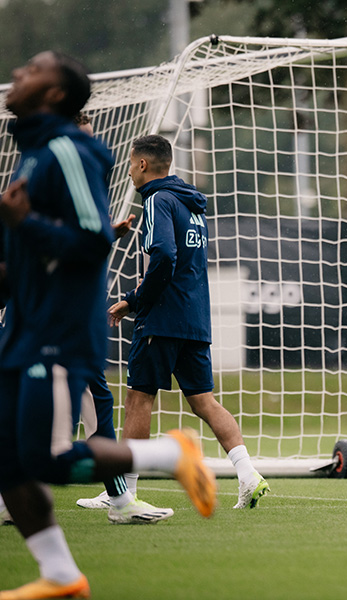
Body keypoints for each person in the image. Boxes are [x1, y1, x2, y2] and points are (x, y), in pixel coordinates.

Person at [0, 50, 216, 600]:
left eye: (33, 69)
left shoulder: (68, 150)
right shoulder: (34, 153)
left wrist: (24, 222)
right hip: (27, 323)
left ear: (53, 95)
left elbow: (92, 239)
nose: (18, 72)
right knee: (11, 458)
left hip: (56, 330)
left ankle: (169, 455)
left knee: (39, 459)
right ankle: (60, 574)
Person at [105, 134, 270, 510]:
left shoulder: (157, 200)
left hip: (162, 317)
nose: (130, 172)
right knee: (204, 402)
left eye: (131, 164)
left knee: (138, 398)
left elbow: (164, 254)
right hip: (194, 316)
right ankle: (247, 475)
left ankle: (125, 492)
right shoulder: (191, 204)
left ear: (143, 165)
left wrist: (133, 300)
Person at [69, 111, 173, 524]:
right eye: (84, 139)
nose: (93, 148)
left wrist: (106, 235)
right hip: (51, 313)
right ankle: (130, 490)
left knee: (91, 399)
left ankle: (120, 497)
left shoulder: (71, 182)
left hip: (61, 312)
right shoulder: (53, 181)